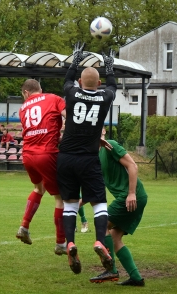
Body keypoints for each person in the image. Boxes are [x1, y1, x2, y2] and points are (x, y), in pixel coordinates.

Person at [57, 42, 116, 275]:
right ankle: (100, 240)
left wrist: (76, 59)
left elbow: (67, 81)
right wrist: (109, 66)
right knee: (99, 203)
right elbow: (112, 86)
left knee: (70, 204)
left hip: (66, 158)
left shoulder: (71, 93)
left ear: (81, 82)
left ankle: (70, 243)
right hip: (89, 159)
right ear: (98, 84)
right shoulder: (105, 98)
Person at [15, 79, 67, 257]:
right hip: (47, 153)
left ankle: (24, 226)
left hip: (28, 154)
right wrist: (64, 136)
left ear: (26, 93)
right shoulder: (53, 98)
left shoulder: (23, 108)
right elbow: (69, 116)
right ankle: (61, 243)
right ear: (40, 90)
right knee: (60, 199)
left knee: (38, 188)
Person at [89, 128, 147, 286]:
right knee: (114, 238)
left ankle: (112, 270)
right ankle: (136, 278)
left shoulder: (110, 145)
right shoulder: (96, 154)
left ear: (103, 130)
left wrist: (131, 193)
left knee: (102, 224)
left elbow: (133, 166)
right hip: (131, 197)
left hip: (130, 196)